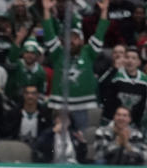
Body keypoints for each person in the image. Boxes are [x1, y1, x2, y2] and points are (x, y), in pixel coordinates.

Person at [42, 0, 109, 129]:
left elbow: (100, 32)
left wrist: (104, 11)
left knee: (85, 142)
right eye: (68, 37)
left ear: (81, 40)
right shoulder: (58, 53)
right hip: (60, 106)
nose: (71, 41)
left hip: (84, 107)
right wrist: (46, 10)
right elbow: (49, 32)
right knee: (58, 142)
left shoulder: (89, 52)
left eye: (75, 38)